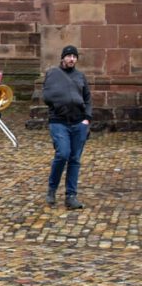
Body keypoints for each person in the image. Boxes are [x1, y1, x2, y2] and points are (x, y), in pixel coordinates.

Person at [43, 45, 91, 210]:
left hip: (79, 122)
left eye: (74, 56)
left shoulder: (80, 76)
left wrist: (87, 119)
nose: (72, 59)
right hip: (59, 121)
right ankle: (52, 188)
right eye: (69, 56)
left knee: (75, 159)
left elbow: (87, 99)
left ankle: (71, 196)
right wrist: (60, 102)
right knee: (63, 154)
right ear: (63, 58)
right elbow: (47, 96)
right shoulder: (53, 74)